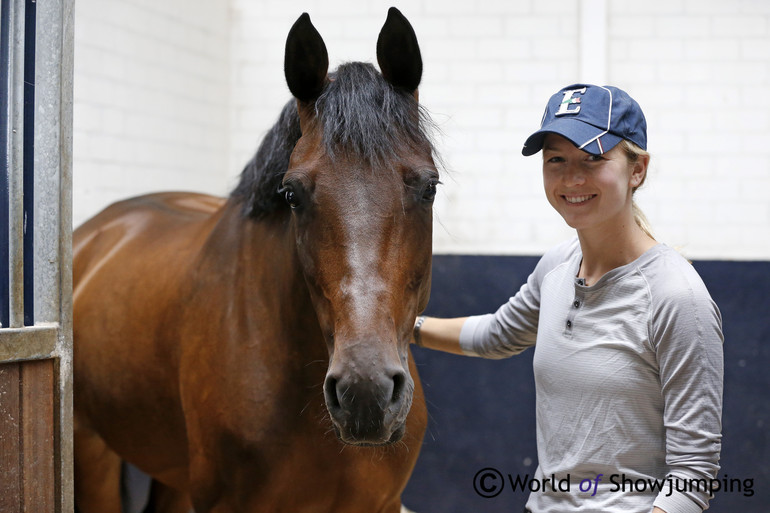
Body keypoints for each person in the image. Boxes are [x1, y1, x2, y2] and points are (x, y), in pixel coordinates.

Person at [413, 84, 723, 513]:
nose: (572, 178)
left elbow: (693, 476)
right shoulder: (557, 267)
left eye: (593, 159)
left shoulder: (676, 295)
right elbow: (496, 334)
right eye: (556, 160)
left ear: (638, 170)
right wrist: (399, 328)